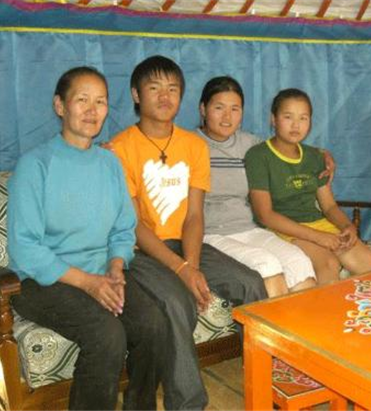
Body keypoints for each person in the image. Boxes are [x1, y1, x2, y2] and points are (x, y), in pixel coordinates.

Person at [109, 56, 267, 410]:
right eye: (154, 88)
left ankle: (262, 380)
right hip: (142, 251)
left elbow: (195, 214)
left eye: (173, 89)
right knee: (177, 301)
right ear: (136, 94)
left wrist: (191, 264)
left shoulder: (193, 146)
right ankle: (189, 403)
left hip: (189, 243)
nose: (165, 97)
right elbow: (134, 225)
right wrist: (182, 271)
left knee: (251, 283)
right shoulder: (120, 149)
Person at [7, 67, 169, 410]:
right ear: (60, 106)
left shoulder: (109, 163)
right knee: (106, 335)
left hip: (102, 272)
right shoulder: (35, 165)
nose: (92, 110)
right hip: (45, 283)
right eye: (82, 100)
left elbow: (124, 228)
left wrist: (115, 267)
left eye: (101, 102)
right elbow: (26, 248)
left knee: (154, 323)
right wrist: (89, 283)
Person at [197, 76, 320, 296]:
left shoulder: (251, 146)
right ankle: (276, 330)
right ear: (203, 109)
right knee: (267, 265)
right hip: (211, 234)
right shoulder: (188, 144)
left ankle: (302, 329)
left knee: (299, 261)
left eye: (235, 109)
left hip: (250, 229)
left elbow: (285, 149)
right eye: (219, 108)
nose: (227, 116)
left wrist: (324, 156)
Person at [245, 88, 371, 284]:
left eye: (303, 118)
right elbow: (266, 215)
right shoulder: (258, 156)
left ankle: (356, 311)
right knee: (328, 263)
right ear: (274, 119)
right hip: (283, 229)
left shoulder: (315, 157)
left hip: (317, 223)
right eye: (288, 117)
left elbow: (329, 206)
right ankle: (327, 314)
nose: (296, 125)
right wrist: (317, 237)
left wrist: (347, 226)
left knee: (366, 261)